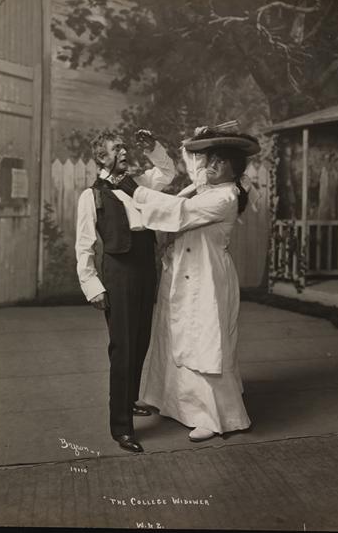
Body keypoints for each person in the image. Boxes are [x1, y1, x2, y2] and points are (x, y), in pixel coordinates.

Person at [117, 127, 260, 441]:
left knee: (204, 341)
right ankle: (170, 401)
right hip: (184, 270)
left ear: (235, 169)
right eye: (212, 159)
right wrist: (157, 147)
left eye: (221, 162)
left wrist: (134, 191)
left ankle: (213, 416)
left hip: (207, 276)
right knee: (175, 334)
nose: (212, 165)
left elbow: (181, 211)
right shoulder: (208, 186)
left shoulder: (225, 197)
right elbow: (194, 165)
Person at [75, 129, 175, 453]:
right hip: (118, 273)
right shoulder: (91, 196)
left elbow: (168, 173)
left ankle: (130, 400)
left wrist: (154, 147)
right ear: (101, 157)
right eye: (116, 148)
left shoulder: (140, 183)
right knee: (123, 347)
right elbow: (84, 245)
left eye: (123, 147)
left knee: (141, 340)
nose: (123, 152)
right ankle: (121, 427)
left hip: (146, 267)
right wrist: (92, 286)